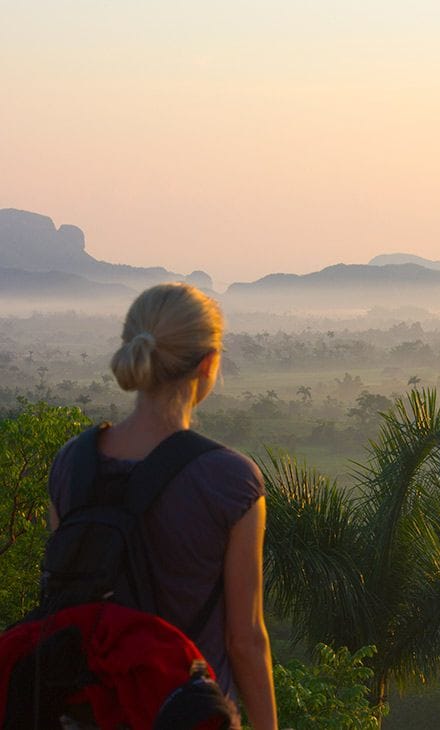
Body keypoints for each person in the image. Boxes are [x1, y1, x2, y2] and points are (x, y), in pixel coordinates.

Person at [46, 282, 277, 729]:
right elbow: (244, 639)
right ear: (208, 363)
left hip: (85, 714)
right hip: (187, 715)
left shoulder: (71, 462)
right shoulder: (231, 480)